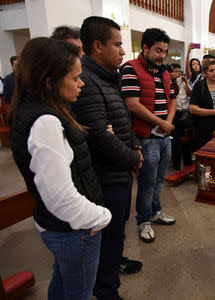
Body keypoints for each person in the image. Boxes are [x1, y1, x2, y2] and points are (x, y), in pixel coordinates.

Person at [9, 37, 111, 300]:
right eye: (75, 78)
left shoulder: (40, 109)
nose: (82, 83)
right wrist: (101, 216)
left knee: (64, 285)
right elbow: (60, 198)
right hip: (72, 231)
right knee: (78, 293)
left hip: (60, 227)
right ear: (49, 81)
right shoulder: (45, 121)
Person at [72, 16, 143, 300]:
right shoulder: (88, 81)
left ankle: (109, 280)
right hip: (107, 178)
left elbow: (123, 119)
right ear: (98, 46)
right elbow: (100, 136)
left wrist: (134, 146)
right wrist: (133, 159)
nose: (123, 52)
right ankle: (106, 292)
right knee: (109, 241)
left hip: (119, 173)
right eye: (118, 45)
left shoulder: (107, 77)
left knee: (116, 238)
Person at [120, 28, 176, 244]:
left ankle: (155, 212)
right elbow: (132, 105)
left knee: (159, 180)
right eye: (158, 50)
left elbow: (172, 99)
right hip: (146, 137)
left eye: (165, 51)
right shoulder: (130, 69)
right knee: (146, 183)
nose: (162, 55)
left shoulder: (163, 71)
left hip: (164, 136)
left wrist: (168, 123)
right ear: (145, 48)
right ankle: (143, 221)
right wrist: (161, 122)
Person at [189, 59, 215, 151]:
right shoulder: (199, 85)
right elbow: (193, 109)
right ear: (204, 72)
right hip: (203, 130)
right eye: (211, 71)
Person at [169, 63, 193, 170]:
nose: (178, 73)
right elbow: (174, 93)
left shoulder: (183, 81)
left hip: (186, 112)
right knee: (176, 141)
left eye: (179, 71)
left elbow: (189, 94)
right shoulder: (169, 82)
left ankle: (188, 163)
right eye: (176, 71)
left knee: (187, 139)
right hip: (176, 113)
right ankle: (176, 165)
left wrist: (186, 82)